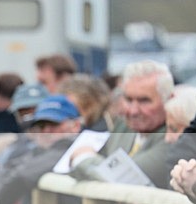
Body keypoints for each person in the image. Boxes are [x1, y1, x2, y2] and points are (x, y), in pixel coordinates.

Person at [69, 59, 172, 188]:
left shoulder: (175, 135)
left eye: (144, 101)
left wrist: (82, 157)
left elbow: (124, 180)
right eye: (128, 100)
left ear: (168, 100)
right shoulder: (124, 126)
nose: (133, 111)